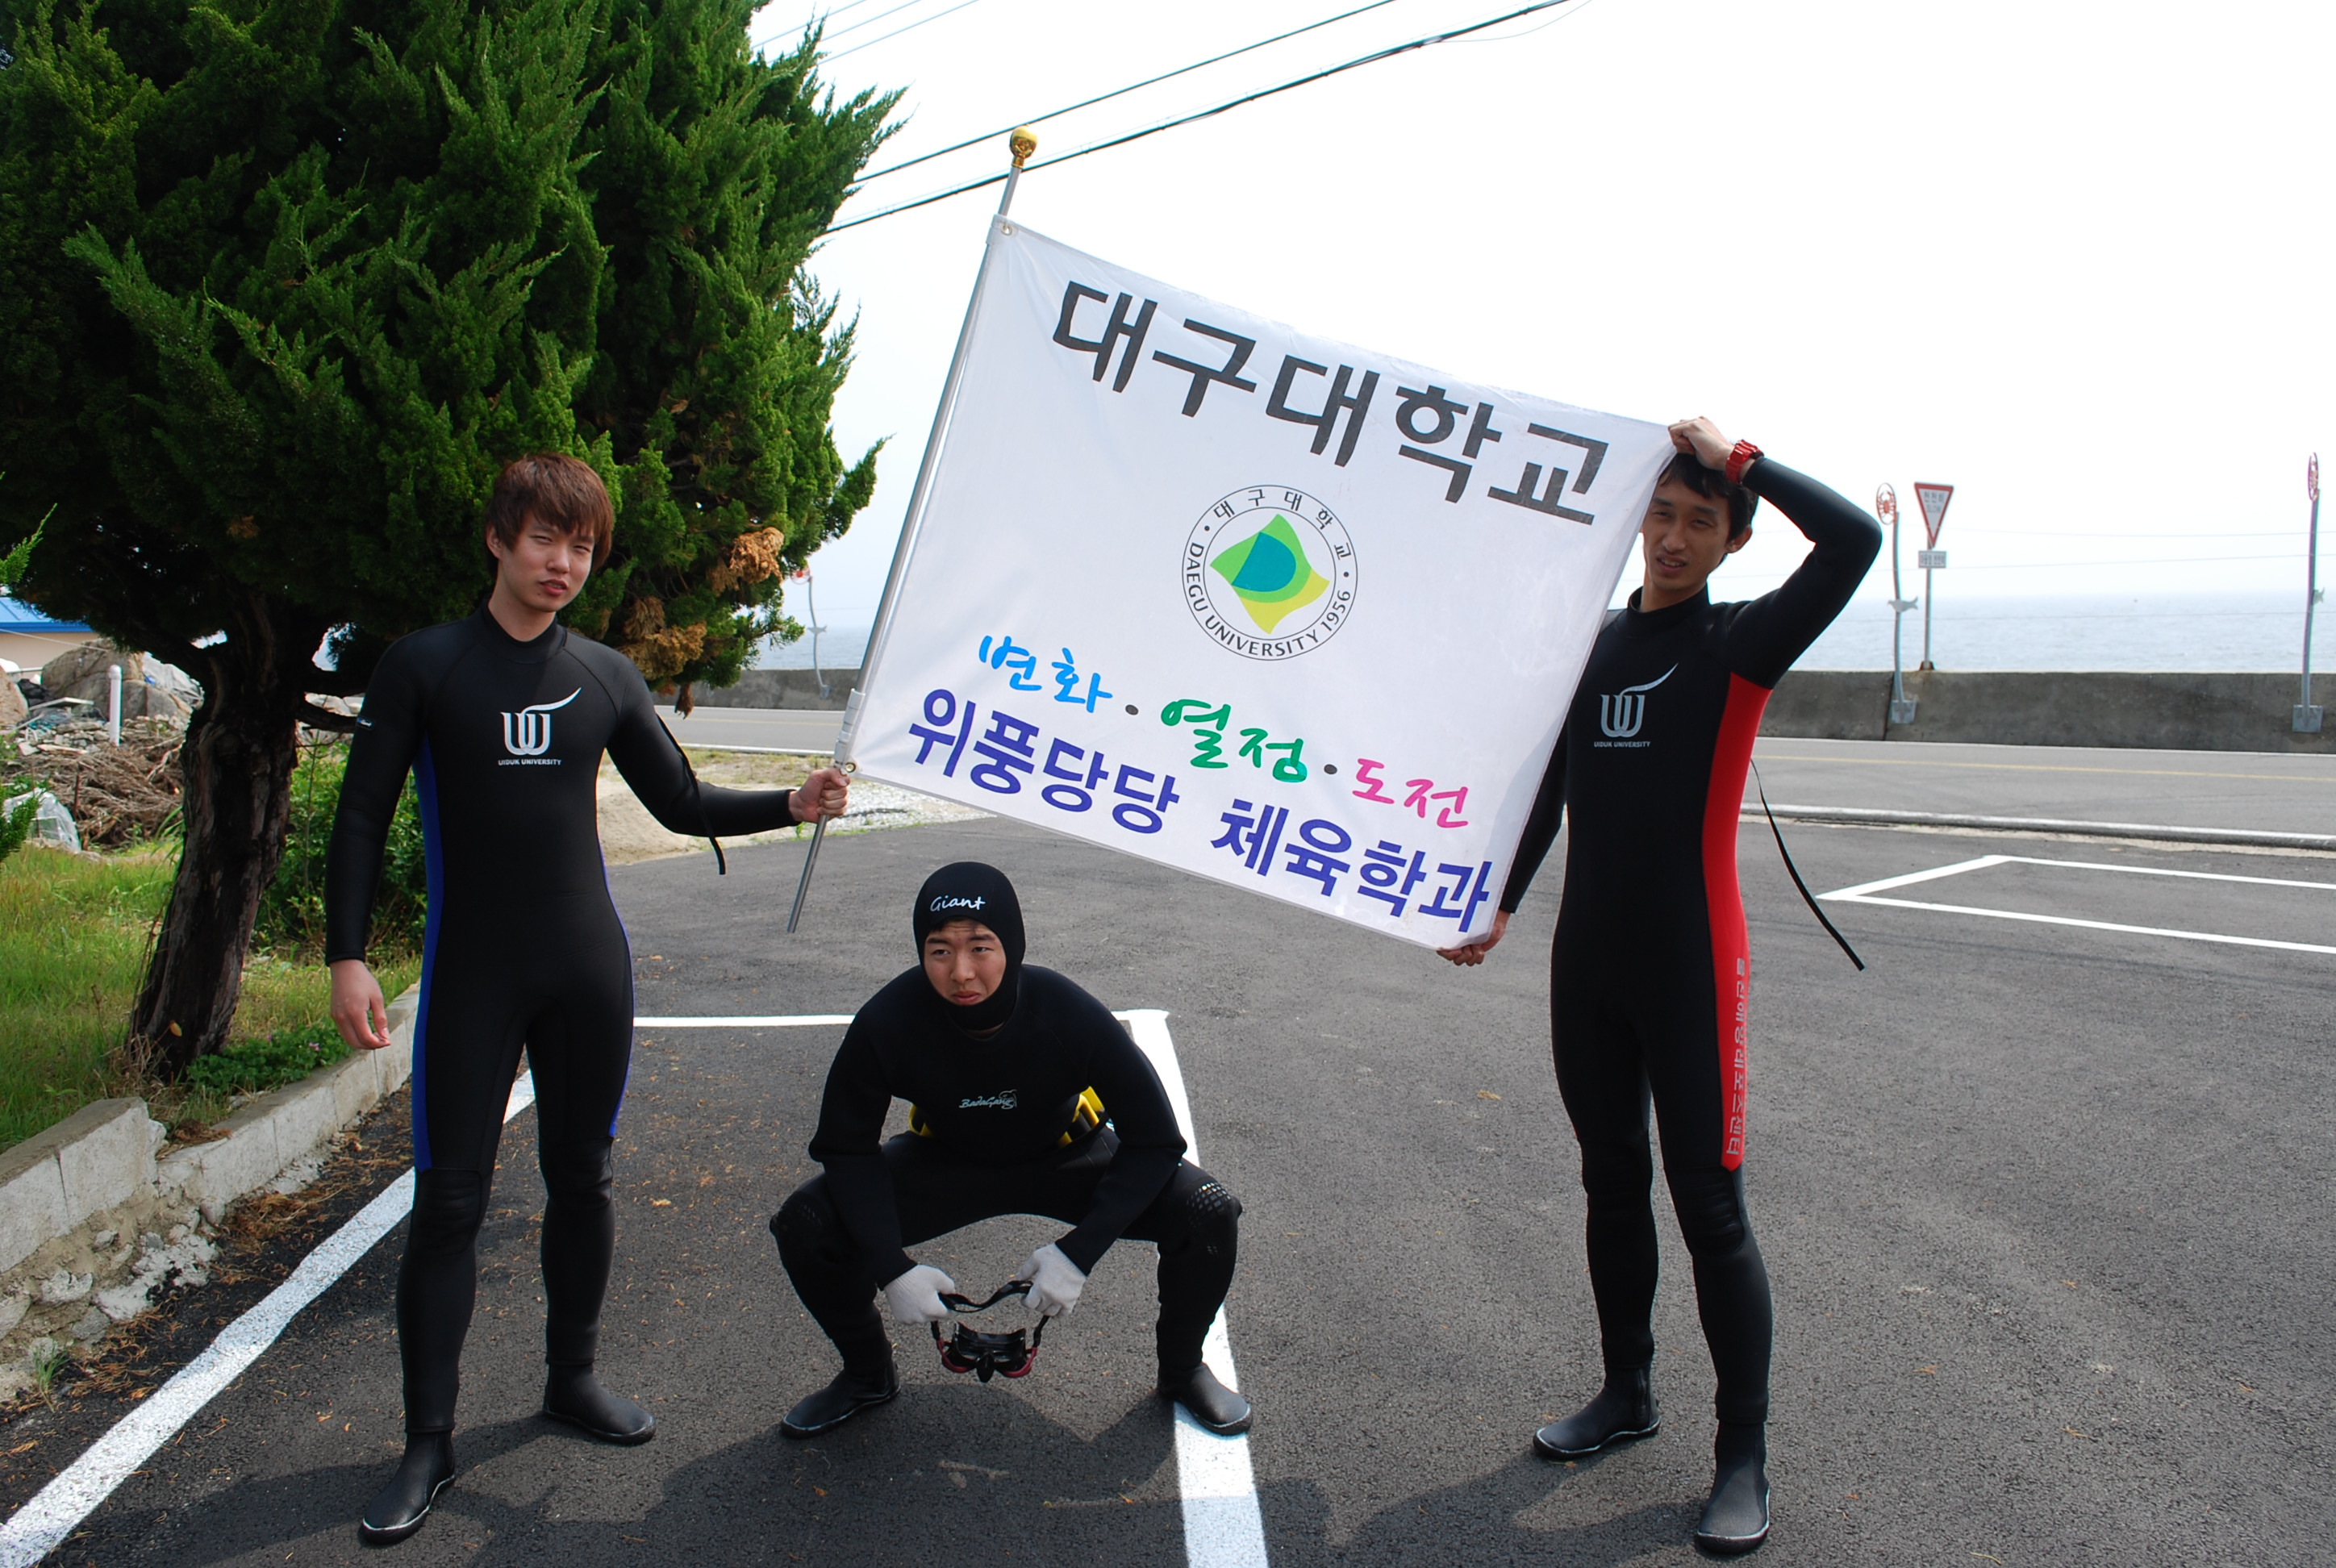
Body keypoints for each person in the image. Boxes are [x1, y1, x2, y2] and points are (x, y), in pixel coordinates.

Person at [324, 453, 849, 1546]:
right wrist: (348, 956)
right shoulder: (424, 666)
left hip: (586, 969)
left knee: (584, 1179)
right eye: (544, 539)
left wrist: (791, 802)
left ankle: (572, 1380)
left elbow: (680, 799)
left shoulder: (605, 675)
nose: (562, 563)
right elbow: (362, 815)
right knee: (450, 1203)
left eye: (582, 546)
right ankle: (428, 1442)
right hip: (472, 971)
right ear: (499, 539)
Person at [1440, 418, 1879, 1555]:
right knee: (1608, 1181)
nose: (1675, 539)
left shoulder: (1742, 643)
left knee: (1711, 1211)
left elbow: (1854, 543)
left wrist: (1744, 463)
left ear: (1734, 540)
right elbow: (1550, 789)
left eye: (1701, 521)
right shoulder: (1593, 646)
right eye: (1663, 515)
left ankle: (1742, 1455)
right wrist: (1497, 901)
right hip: (1587, 961)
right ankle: (1626, 1393)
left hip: (1691, 964)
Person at [770, 861, 1251, 1438]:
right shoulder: (888, 1021)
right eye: (939, 951)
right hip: (945, 1161)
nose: (961, 972)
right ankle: (867, 1373)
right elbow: (845, 1149)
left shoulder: (1065, 1011)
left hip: (1067, 1157)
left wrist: (1078, 1253)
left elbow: (1156, 1141)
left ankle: (1183, 1370)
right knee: (806, 1223)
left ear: (1013, 945)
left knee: (1206, 1208)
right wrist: (891, 1268)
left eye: (981, 947)